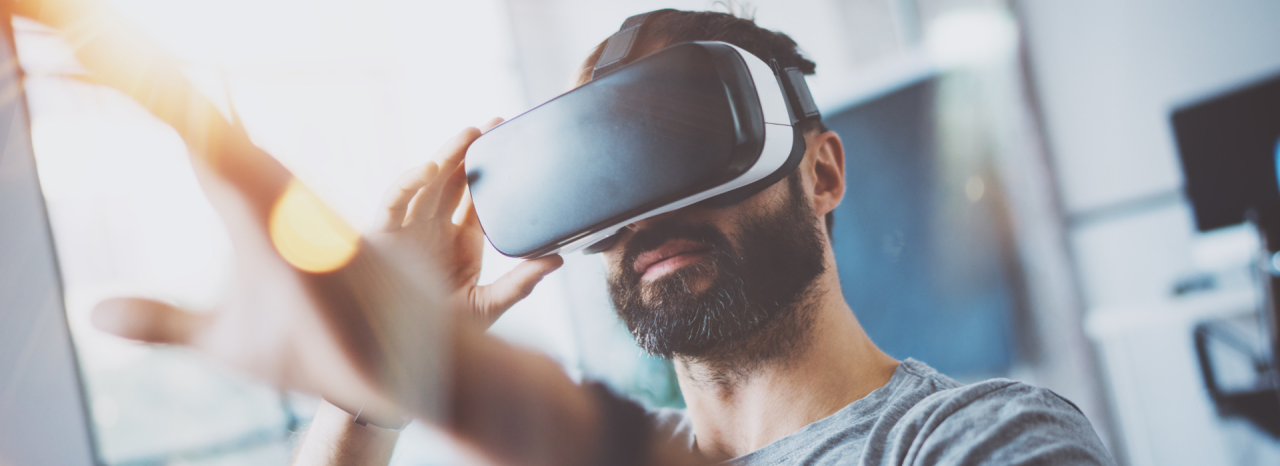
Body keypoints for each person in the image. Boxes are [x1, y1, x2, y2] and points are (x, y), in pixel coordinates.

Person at [18, 1, 1114, 464]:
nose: (647, 215)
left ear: (817, 170)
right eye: (610, 178)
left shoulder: (981, 436)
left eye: (685, 145)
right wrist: (374, 387)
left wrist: (473, 384)